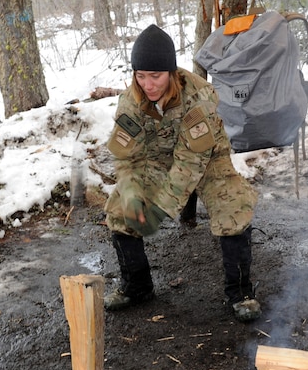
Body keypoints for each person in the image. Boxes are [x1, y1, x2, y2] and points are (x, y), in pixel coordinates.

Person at [103, 24, 261, 322]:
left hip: (206, 159)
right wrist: (133, 194)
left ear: (172, 72)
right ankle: (137, 286)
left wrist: (159, 210)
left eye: (156, 76)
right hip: (158, 159)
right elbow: (125, 156)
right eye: (140, 76)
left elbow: (189, 165)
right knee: (120, 210)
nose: (148, 85)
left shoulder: (198, 99)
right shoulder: (130, 101)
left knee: (233, 207)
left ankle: (240, 292)